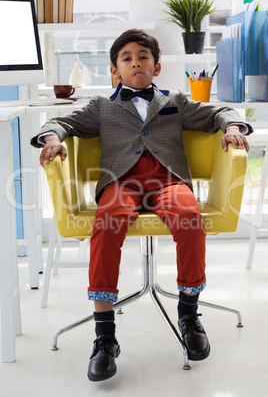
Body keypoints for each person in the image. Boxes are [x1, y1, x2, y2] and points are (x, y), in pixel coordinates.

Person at [31, 29, 252, 382]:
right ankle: (105, 336)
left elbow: (220, 111)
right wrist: (54, 138)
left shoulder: (176, 101)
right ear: (115, 70)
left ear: (157, 66)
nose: (136, 63)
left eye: (144, 57)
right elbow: (60, 122)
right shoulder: (100, 107)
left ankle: (188, 314)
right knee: (107, 224)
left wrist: (231, 128)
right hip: (119, 182)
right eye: (127, 59)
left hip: (168, 180)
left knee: (190, 218)